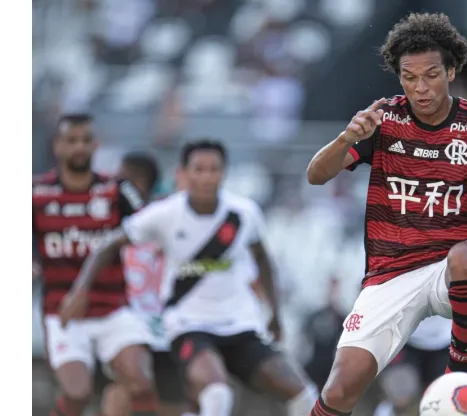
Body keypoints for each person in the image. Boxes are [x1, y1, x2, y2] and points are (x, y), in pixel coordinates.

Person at [305, 12, 467, 416]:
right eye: (408, 77)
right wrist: (347, 137)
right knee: (340, 389)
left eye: (431, 75)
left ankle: (458, 369)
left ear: (451, 71)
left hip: (449, 270)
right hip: (390, 272)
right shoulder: (382, 121)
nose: (420, 87)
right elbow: (315, 175)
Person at [60, 139, 318, 416]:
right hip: (188, 324)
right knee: (216, 394)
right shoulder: (165, 214)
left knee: (305, 395)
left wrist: (274, 313)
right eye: (199, 169)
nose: (206, 177)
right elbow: (108, 246)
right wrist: (80, 290)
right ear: (185, 173)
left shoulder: (244, 214)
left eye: (213, 169)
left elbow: (262, 259)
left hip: (240, 324)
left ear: (224, 173)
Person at [33, 114, 156, 416]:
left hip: (113, 308)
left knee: (140, 383)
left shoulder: (117, 190)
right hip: (63, 312)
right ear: (57, 146)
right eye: (71, 140)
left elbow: (152, 225)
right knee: (77, 394)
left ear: (95, 145)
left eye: (86, 140)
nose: (79, 147)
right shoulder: (34, 192)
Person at [118, 152, 190, 416]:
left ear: (137, 180)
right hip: (130, 324)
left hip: (165, 325)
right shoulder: (118, 218)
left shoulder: (165, 217)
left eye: (121, 178)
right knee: (122, 395)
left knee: (172, 402)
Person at [374, 315, 453, 416]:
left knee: (443, 400)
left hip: (447, 341)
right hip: (405, 338)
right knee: (400, 395)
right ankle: (392, 409)